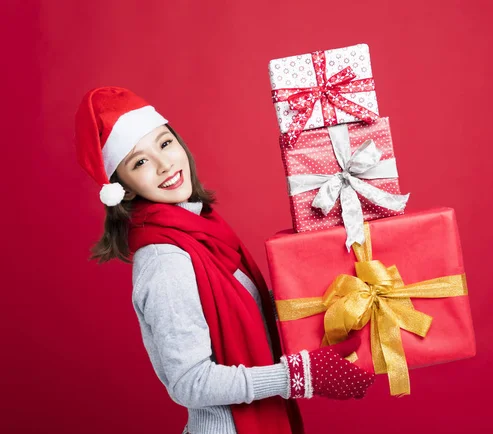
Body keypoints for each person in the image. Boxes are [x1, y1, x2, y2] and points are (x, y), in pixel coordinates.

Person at [74, 86, 376, 434]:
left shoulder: (204, 232)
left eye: (164, 143)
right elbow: (189, 382)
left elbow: (255, 316)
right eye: (139, 162)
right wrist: (297, 374)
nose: (164, 164)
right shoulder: (165, 261)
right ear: (122, 187)